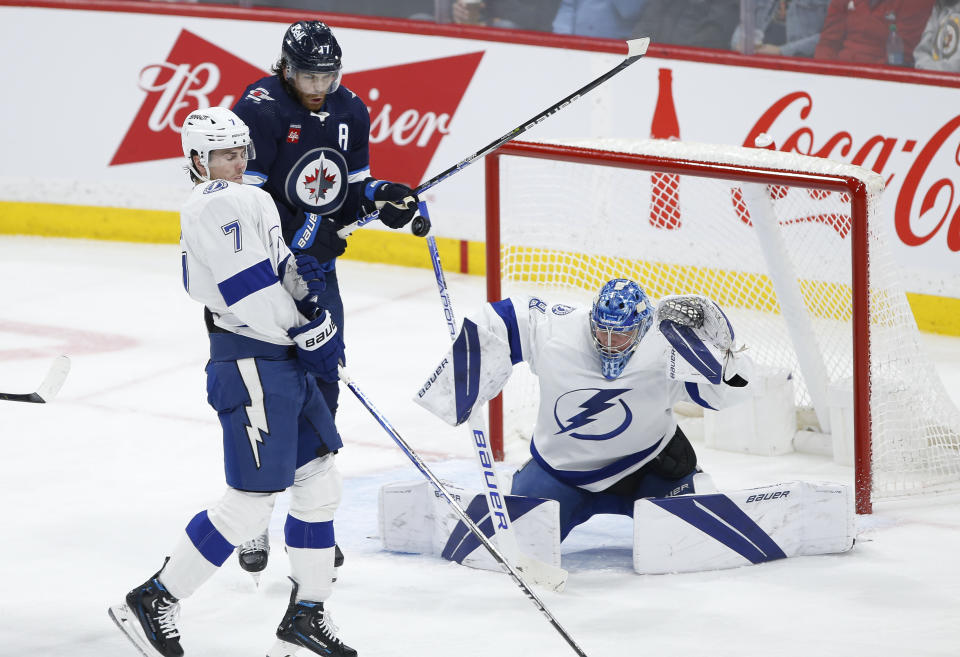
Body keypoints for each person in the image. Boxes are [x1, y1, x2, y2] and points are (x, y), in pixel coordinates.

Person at [107, 107, 355, 657]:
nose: (236, 162)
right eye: (223, 154)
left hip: (280, 359)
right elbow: (248, 293)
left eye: (241, 152)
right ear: (197, 160)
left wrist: (308, 291)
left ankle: (307, 613)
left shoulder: (256, 198)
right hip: (251, 361)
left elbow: (279, 266)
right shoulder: (210, 206)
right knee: (249, 505)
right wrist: (305, 330)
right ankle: (153, 599)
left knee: (319, 482)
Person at [231, 20, 419, 574]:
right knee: (265, 399)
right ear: (285, 67)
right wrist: (311, 232)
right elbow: (245, 207)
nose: (320, 85)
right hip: (260, 280)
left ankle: (308, 526)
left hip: (318, 277)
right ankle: (250, 521)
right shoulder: (259, 109)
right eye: (310, 74)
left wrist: (385, 196)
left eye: (329, 74)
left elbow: (350, 190)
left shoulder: (351, 109)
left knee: (322, 390)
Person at [416, 279, 755, 541]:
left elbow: (725, 396)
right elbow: (498, 319)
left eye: (619, 335)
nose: (608, 342)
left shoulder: (667, 343)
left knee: (686, 539)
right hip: (561, 473)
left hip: (648, 468)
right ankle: (520, 487)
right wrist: (465, 371)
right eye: (602, 331)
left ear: (640, 328)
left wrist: (726, 358)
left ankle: (694, 487)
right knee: (519, 539)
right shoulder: (557, 332)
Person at [814, 0, 934, 66]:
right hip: (837, 75)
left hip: (880, 84)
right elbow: (827, 43)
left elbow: (901, 59)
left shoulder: (917, 2)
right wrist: (826, 74)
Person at [730, 0, 830, 57]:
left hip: (802, 68)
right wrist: (739, 43)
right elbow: (745, 22)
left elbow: (830, 38)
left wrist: (781, 51)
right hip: (757, 63)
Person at [630, 0, 741, 50]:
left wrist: (672, 57)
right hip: (653, 62)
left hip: (695, 70)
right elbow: (646, 24)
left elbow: (712, 38)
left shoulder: (727, 3)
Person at [552, 0, 648, 40]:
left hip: (613, 54)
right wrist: (564, 41)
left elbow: (629, 11)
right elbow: (567, 7)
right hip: (576, 46)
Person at [914, 0, 960, 71]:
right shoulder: (938, 8)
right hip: (930, 77)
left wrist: (928, 69)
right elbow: (921, 52)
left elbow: (956, 67)